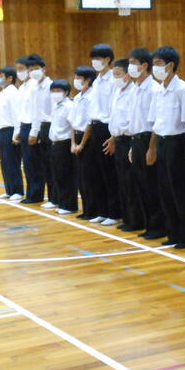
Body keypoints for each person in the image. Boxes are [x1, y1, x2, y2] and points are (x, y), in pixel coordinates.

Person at [147, 46, 185, 249]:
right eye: (154, 64)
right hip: (162, 142)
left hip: (178, 142)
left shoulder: (182, 89)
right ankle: (173, 233)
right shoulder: (158, 90)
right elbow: (156, 122)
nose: (155, 68)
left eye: (158, 64)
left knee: (179, 190)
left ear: (170, 65)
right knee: (165, 189)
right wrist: (152, 148)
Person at [127, 47, 166, 240]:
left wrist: (152, 148)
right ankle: (148, 223)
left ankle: (158, 226)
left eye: (133, 63)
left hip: (149, 139)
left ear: (144, 65)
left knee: (152, 185)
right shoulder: (135, 88)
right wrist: (132, 145)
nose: (130, 66)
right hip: (136, 140)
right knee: (140, 185)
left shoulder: (154, 89)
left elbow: (156, 121)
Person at [87, 44, 121, 226]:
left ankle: (114, 212)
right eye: (93, 58)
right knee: (96, 172)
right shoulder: (96, 81)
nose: (95, 62)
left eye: (98, 58)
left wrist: (113, 135)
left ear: (108, 59)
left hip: (107, 127)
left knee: (109, 172)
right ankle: (102, 210)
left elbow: (114, 108)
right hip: (95, 126)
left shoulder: (113, 80)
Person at [105, 58, 140, 231]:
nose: (115, 78)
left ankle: (135, 220)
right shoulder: (118, 92)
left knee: (131, 181)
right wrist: (113, 137)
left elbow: (132, 120)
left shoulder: (133, 92)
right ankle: (127, 218)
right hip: (118, 139)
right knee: (122, 182)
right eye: (114, 74)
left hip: (129, 139)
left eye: (118, 74)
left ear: (128, 75)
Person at [13, 54, 45, 204]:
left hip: (33, 126)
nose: (19, 72)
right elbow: (22, 111)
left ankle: (36, 194)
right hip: (24, 126)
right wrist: (19, 130)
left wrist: (34, 131)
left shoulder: (34, 86)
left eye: (22, 69)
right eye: (17, 69)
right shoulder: (22, 87)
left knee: (34, 163)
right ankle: (30, 192)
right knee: (27, 163)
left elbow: (35, 110)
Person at [69, 65, 98, 220]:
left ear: (88, 80)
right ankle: (86, 209)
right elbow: (73, 122)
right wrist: (73, 142)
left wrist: (82, 144)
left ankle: (93, 210)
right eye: (75, 77)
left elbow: (89, 123)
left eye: (79, 78)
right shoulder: (77, 97)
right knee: (81, 177)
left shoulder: (92, 96)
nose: (76, 80)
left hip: (88, 139)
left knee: (90, 177)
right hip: (77, 137)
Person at [27, 55, 55, 210]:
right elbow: (36, 113)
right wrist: (34, 132)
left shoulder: (51, 86)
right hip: (42, 128)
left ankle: (56, 198)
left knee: (53, 165)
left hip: (52, 127)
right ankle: (52, 197)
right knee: (46, 165)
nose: (33, 72)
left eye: (36, 69)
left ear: (43, 69)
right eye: (30, 70)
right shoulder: (35, 88)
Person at [48, 79, 78, 215]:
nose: (55, 93)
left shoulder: (69, 106)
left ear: (66, 92)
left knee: (67, 175)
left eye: (58, 91)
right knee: (58, 175)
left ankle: (69, 205)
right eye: (53, 91)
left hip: (65, 144)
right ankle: (62, 202)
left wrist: (73, 143)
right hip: (55, 143)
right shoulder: (56, 105)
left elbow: (73, 126)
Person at [0, 65, 23, 201]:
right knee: (5, 162)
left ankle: (17, 190)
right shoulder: (2, 93)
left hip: (11, 130)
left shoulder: (13, 93)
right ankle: (9, 189)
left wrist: (17, 134)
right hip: (2, 131)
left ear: (10, 78)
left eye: (1, 76)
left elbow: (17, 115)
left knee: (12, 162)